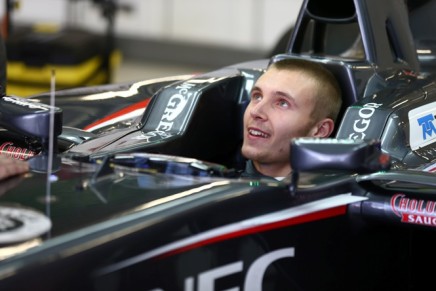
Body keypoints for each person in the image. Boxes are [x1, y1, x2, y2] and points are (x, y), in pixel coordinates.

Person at [240, 58, 342, 180]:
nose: (255, 111)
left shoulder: (339, 197)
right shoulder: (215, 177)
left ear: (320, 130)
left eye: (282, 103)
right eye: (257, 96)